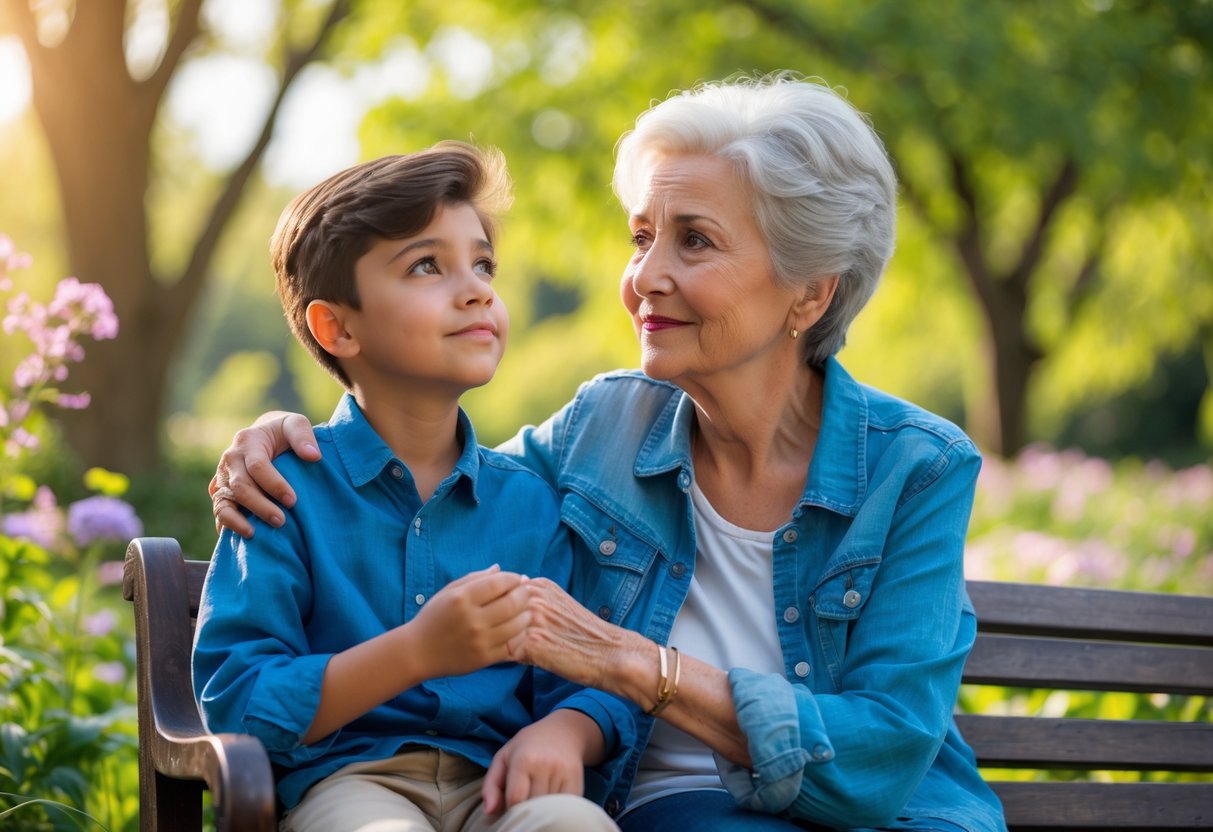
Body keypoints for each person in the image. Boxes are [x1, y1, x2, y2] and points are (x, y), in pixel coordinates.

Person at [209, 74, 1008, 832]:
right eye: (641, 237)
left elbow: (886, 751)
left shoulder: (915, 469)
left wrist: (630, 670)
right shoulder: (606, 427)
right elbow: (418, 465)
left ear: (810, 291)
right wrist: (278, 432)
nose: (644, 277)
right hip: (680, 811)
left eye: (693, 242)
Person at [193, 142, 631, 832]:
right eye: (427, 265)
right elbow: (242, 701)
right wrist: (417, 652)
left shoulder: (530, 503)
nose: (476, 288)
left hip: (497, 786)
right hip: (346, 785)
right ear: (336, 326)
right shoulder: (282, 491)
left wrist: (566, 730)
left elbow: (591, 676)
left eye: (483, 263)